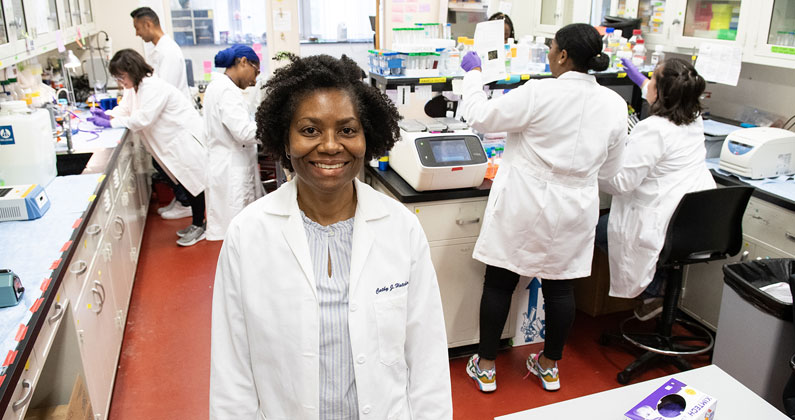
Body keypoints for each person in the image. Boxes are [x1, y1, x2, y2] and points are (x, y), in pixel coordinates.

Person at [210, 54, 452, 419]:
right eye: (309, 130)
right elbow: (232, 374)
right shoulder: (248, 235)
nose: (329, 145)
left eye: (347, 130)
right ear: (285, 139)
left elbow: (427, 359)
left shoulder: (401, 229)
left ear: (367, 137)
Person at [458, 23, 627, 392]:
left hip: (526, 202)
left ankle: (486, 367)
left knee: (500, 282)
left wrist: (472, 75)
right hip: (576, 208)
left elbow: (481, 117)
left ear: (563, 55)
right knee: (560, 288)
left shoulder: (539, 92)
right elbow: (612, 171)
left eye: (552, 48)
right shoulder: (615, 104)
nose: (550, 53)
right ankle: (549, 366)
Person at [596, 58, 715, 316]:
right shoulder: (694, 119)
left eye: (652, 79)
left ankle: (655, 290)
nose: (646, 82)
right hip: (695, 220)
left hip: (661, 221)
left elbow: (621, 183)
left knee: (600, 231)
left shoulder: (653, 130)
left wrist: (591, 167)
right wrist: (640, 81)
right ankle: (660, 288)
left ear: (662, 92)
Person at [88, 49, 207, 247]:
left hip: (182, 141)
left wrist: (111, 123)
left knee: (194, 184)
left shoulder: (152, 86)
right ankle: (197, 224)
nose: (119, 81)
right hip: (169, 144)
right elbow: (126, 109)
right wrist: (109, 115)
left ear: (132, 70)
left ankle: (199, 225)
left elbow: (143, 118)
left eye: (121, 76)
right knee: (188, 184)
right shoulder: (134, 88)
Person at [130, 6, 194, 220]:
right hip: (166, 119)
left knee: (172, 163)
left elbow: (161, 91)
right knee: (164, 163)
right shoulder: (159, 50)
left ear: (148, 24)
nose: (137, 33)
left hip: (174, 121)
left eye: (138, 28)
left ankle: (186, 202)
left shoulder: (168, 51)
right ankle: (182, 198)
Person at [203, 45, 264, 241]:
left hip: (226, 166)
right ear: (243, 62)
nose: (254, 81)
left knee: (236, 233)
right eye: (255, 72)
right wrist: (275, 129)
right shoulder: (226, 90)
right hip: (231, 171)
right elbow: (244, 132)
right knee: (237, 233)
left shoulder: (220, 87)